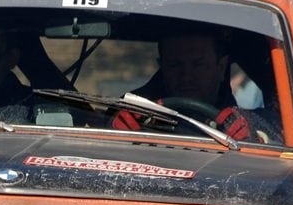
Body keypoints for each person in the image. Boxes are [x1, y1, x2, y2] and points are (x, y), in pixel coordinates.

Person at [114, 30, 276, 143]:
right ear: (162, 67)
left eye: (198, 65)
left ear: (221, 68)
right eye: (175, 65)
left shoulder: (246, 124)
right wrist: (112, 127)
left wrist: (254, 135)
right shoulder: (131, 113)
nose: (186, 76)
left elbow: (284, 139)